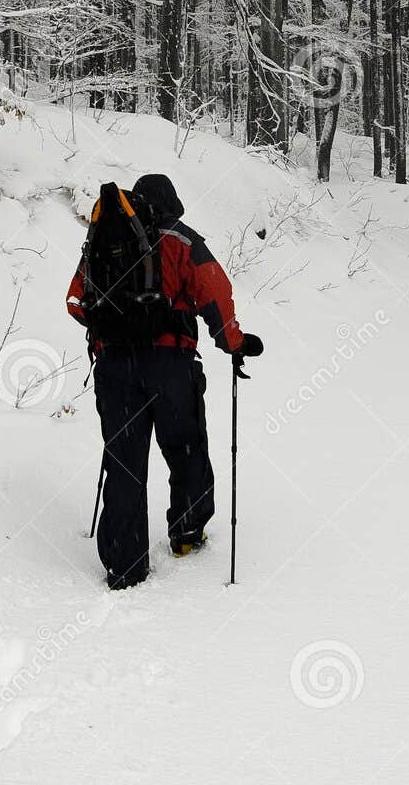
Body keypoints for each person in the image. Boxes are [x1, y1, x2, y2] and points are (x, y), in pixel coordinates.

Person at [66, 173, 263, 590]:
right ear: (172, 201)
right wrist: (235, 344)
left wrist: (116, 329)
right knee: (186, 446)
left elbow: (76, 301)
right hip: (171, 365)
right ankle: (187, 533)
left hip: (115, 368)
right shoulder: (184, 240)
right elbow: (216, 295)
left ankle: (124, 565)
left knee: (124, 461)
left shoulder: (107, 237)